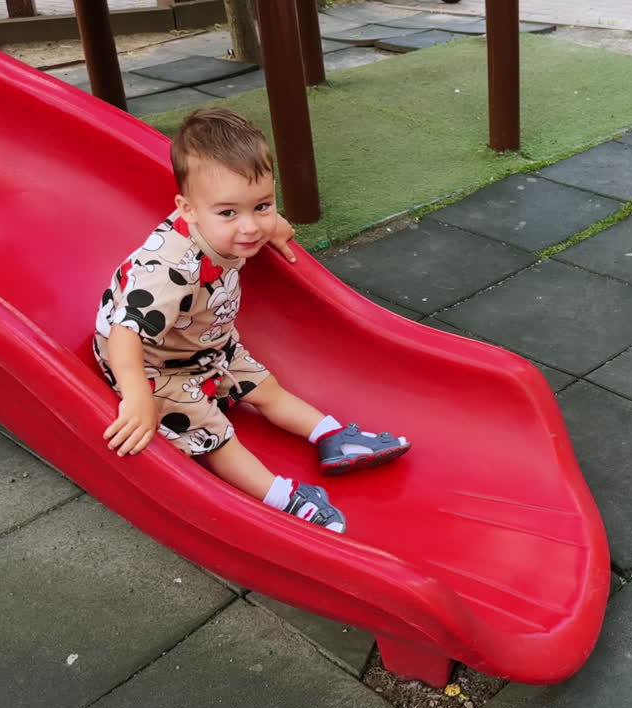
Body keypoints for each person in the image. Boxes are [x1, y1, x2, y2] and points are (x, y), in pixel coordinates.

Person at [93, 108, 409, 534]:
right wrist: (135, 395)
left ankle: (333, 437)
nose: (249, 228)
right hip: (155, 366)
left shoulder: (231, 224)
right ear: (188, 210)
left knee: (264, 387)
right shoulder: (168, 271)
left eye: (261, 205)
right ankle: (284, 497)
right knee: (214, 435)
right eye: (228, 213)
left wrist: (272, 225)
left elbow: (251, 220)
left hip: (206, 344)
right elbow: (125, 332)